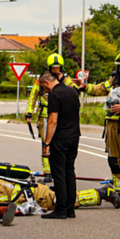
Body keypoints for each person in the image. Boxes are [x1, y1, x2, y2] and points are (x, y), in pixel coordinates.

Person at [83, 50, 120, 201]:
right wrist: (84, 87)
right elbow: (99, 89)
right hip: (112, 124)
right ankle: (119, 190)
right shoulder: (114, 80)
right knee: (113, 159)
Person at [39, 71, 82, 219]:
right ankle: (71, 209)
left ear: (46, 83)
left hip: (60, 138)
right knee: (70, 171)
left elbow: (52, 121)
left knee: (59, 173)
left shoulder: (55, 95)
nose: (44, 91)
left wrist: (47, 143)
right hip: (74, 136)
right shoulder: (72, 91)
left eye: (43, 88)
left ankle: (61, 209)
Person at [0, 176, 120, 210]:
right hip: (37, 192)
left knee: (71, 200)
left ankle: (104, 192)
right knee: (69, 198)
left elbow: (1, 207)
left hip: (40, 196)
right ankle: (102, 192)